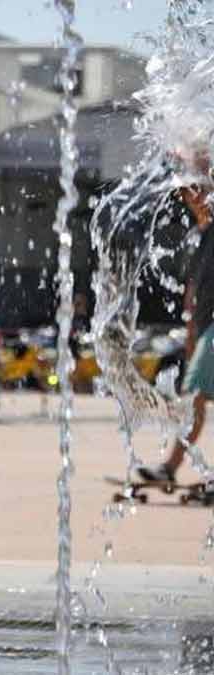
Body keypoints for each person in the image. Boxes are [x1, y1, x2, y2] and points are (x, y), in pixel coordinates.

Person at [137, 183, 214, 488]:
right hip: (205, 327)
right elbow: (193, 291)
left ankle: (170, 466)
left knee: (193, 396)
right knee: (194, 400)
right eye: (189, 195)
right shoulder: (201, 236)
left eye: (201, 191)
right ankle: (170, 466)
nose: (196, 199)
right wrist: (192, 329)